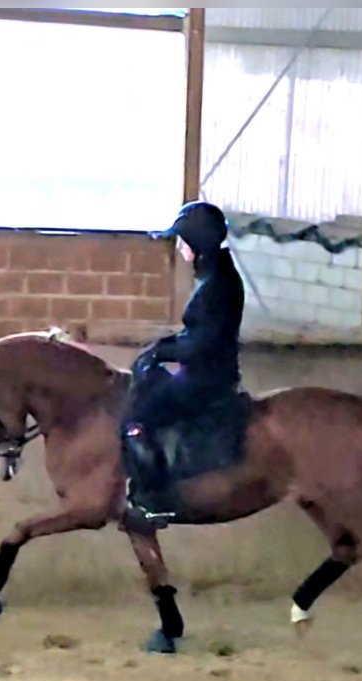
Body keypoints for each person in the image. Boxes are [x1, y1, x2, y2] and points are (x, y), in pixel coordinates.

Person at [122, 200, 245, 524]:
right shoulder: (216, 277)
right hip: (206, 372)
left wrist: (161, 352)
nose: (178, 247)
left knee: (137, 419)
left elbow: (202, 344)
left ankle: (154, 499)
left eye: (181, 240)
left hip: (206, 378)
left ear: (197, 244)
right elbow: (196, 334)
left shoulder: (216, 286)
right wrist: (161, 347)